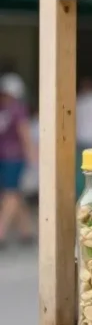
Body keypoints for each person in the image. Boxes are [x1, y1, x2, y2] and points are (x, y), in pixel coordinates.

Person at [0, 73, 36, 246]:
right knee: (13, 195)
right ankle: (15, 232)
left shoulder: (10, 110)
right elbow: (25, 134)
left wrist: (32, 156)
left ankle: (14, 231)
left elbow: (24, 134)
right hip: (12, 157)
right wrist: (33, 156)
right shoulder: (16, 109)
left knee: (12, 194)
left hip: (10, 158)